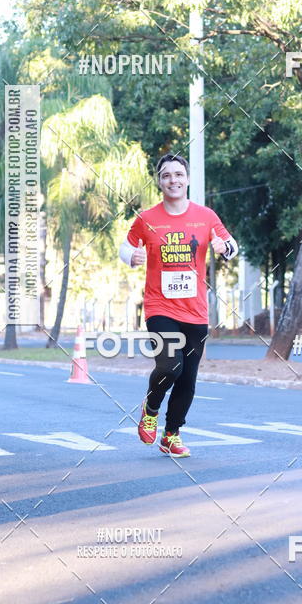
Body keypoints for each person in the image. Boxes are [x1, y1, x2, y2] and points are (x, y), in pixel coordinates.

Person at [119, 153, 238, 457]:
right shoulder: (147, 218)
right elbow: (126, 245)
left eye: (178, 174)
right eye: (166, 175)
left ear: (187, 179)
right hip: (159, 306)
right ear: (159, 181)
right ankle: (151, 408)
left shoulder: (206, 216)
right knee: (170, 366)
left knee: (188, 377)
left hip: (195, 310)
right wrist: (131, 257)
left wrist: (224, 248)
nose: (173, 180)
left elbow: (232, 245)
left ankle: (171, 435)